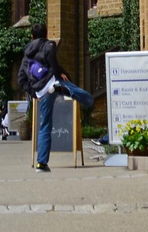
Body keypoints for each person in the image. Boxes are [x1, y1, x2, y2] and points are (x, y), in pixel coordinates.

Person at [22, 22, 95, 172]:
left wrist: (34, 93)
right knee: (80, 93)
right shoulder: (49, 45)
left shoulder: (26, 55)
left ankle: (41, 164)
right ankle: (78, 96)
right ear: (46, 34)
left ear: (32, 36)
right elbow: (53, 63)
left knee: (45, 126)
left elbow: (21, 79)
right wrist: (61, 75)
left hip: (41, 91)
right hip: (52, 81)